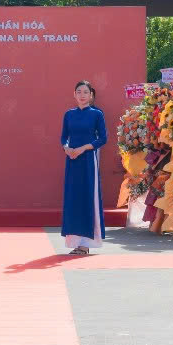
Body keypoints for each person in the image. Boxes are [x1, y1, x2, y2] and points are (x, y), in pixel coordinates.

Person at [58, 81, 109, 255]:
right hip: (72, 160)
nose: (82, 95)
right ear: (74, 94)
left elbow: (103, 138)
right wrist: (66, 148)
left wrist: (83, 148)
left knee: (87, 197)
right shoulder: (69, 114)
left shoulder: (96, 114)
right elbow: (64, 137)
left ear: (91, 95)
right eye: (79, 92)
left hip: (87, 160)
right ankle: (75, 242)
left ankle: (86, 244)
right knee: (73, 199)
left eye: (85, 92)